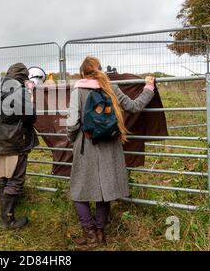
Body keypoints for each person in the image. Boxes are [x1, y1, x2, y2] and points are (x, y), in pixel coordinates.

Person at [66, 56, 155, 247]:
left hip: (86, 146)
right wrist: (148, 87)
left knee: (77, 191)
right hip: (110, 145)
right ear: (100, 71)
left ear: (83, 72)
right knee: (104, 190)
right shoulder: (111, 88)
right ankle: (100, 234)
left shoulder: (78, 90)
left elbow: (72, 123)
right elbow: (134, 106)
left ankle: (89, 234)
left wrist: (74, 139)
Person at [0, 63, 39, 230]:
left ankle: (4, 217)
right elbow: (29, 116)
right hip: (15, 141)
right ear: (23, 77)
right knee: (15, 180)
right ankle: (7, 221)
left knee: (3, 178)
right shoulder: (20, 90)